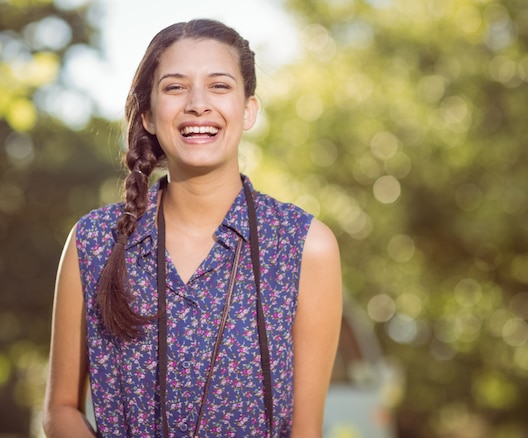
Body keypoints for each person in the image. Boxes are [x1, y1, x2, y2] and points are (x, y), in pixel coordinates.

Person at [42, 18, 342, 437]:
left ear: (249, 109)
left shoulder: (305, 246)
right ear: (147, 113)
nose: (198, 103)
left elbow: (305, 431)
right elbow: (60, 410)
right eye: (175, 87)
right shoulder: (93, 242)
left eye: (219, 86)